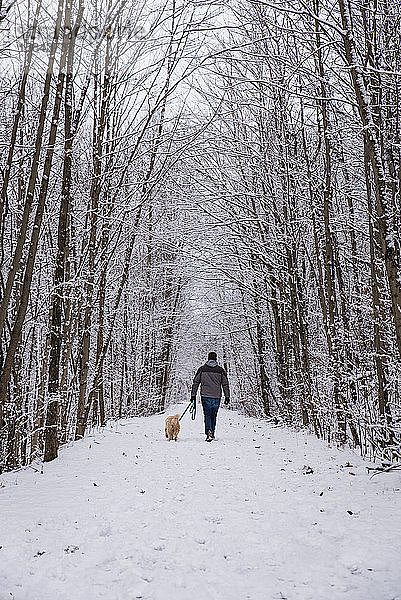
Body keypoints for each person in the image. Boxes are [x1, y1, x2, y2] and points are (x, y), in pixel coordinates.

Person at [191, 351, 230, 442]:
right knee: (214, 415)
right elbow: (225, 384)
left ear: (208, 358)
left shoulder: (202, 369)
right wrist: (227, 396)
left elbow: (196, 382)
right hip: (216, 396)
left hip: (205, 396)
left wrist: (193, 395)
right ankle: (212, 433)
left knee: (207, 415)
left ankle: (208, 432)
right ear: (216, 359)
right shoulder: (220, 370)